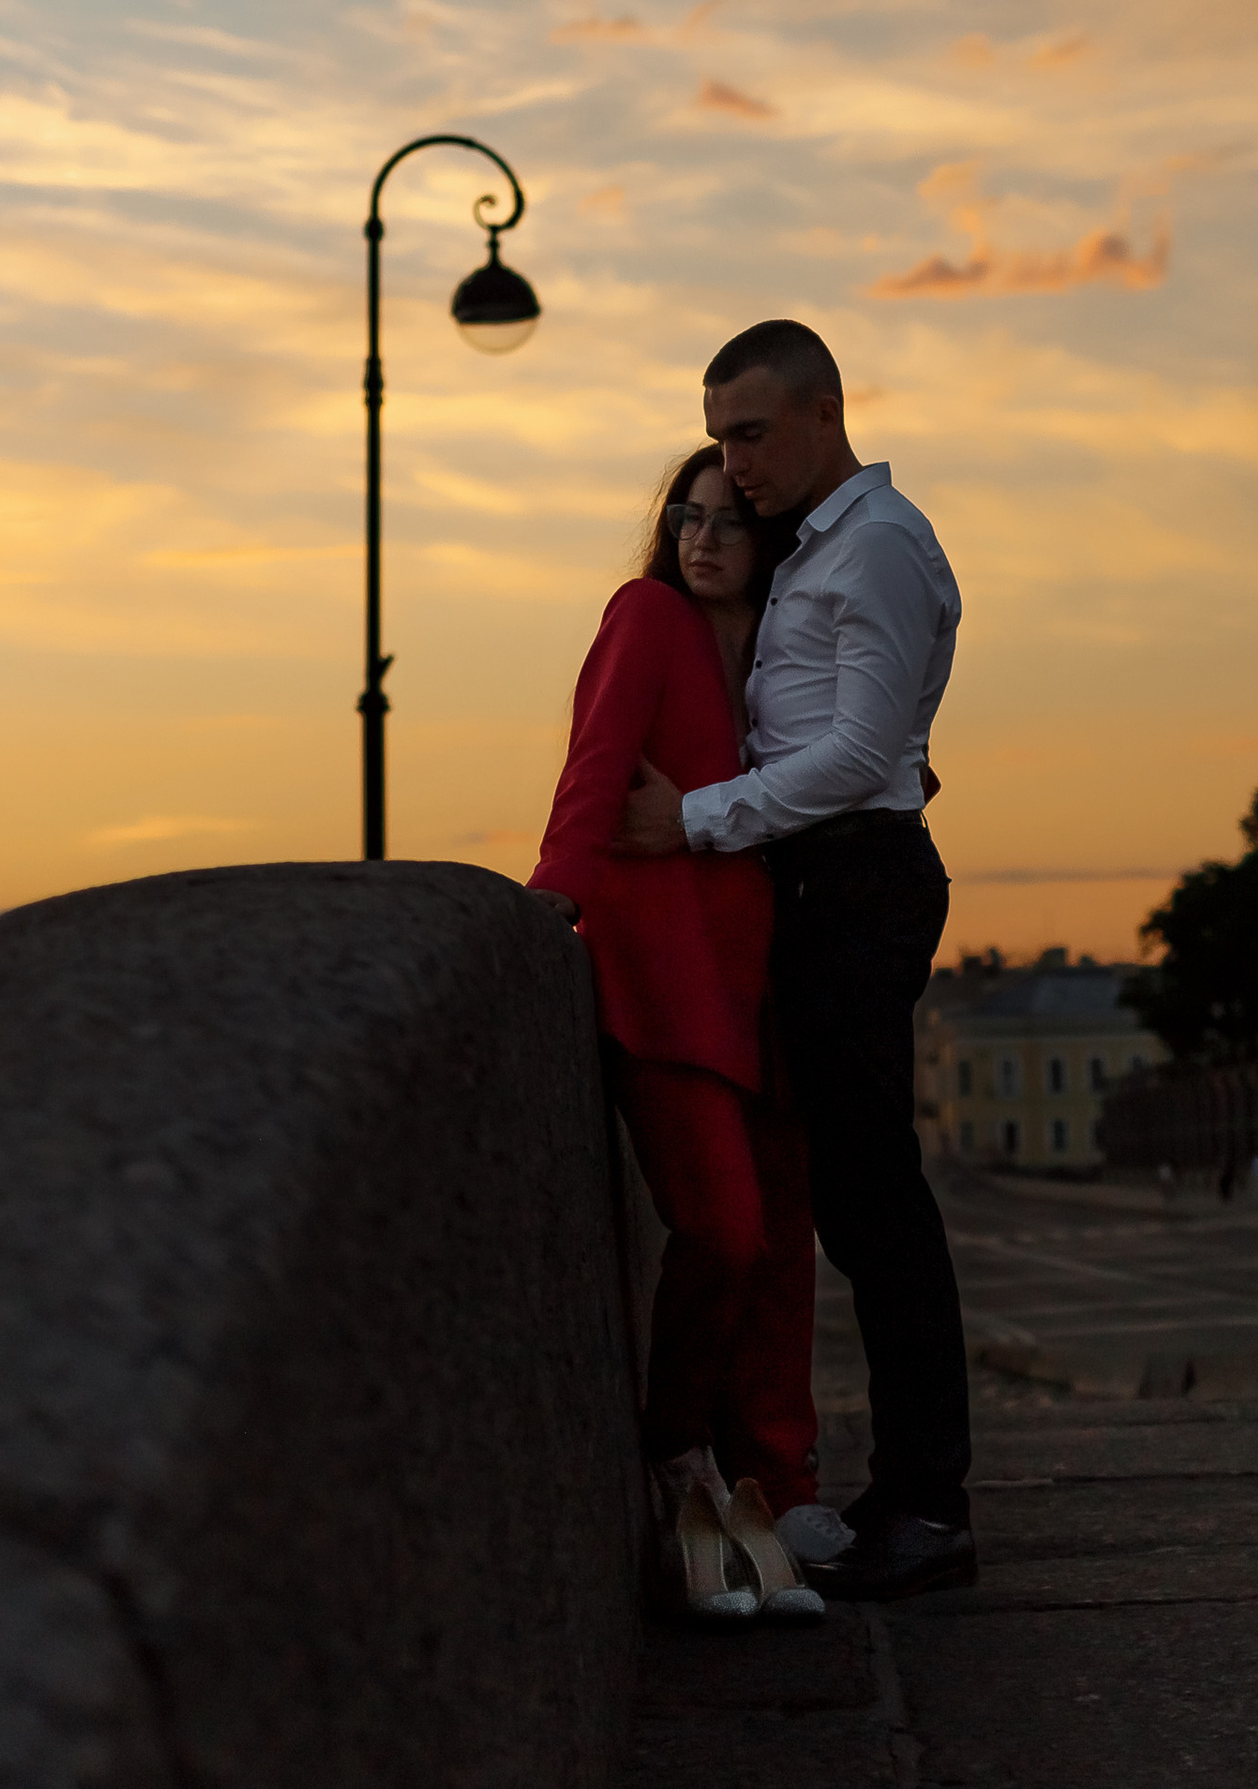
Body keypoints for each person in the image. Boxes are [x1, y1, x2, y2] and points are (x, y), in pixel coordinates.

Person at [616, 319, 973, 1602]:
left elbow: (861, 750)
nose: (734, 463)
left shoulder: (873, 545)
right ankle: (893, 1493)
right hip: (827, 883)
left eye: (752, 433)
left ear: (825, 413)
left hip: (856, 880)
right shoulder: (821, 549)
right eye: (719, 436)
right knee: (845, 1201)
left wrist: (695, 819)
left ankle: (929, 1504)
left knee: (876, 1205)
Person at [529, 446, 824, 1625]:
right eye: (684, 517)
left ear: (766, 541)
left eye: (727, 521)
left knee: (783, 1250)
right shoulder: (645, 612)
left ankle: (773, 1485)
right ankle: (677, 1460)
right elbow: (595, 761)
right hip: (659, 977)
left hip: (759, 983)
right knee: (723, 1230)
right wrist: (556, 890)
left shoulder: (780, 654)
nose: (701, 537)